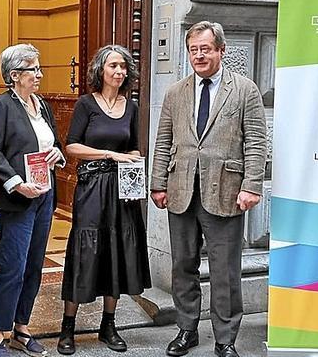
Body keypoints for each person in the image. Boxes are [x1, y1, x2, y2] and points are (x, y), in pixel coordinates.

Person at [150, 21, 267, 357]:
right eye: (193, 50)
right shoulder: (176, 92)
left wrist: (252, 186)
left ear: (221, 50)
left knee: (225, 270)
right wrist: (158, 184)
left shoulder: (245, 90)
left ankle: (225, 338)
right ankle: (186, 330)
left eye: (206, 49)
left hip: (227, 192)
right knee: (183, 265)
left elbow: (257, 143)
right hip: (181, 192)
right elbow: (164, 142)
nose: (199, 55)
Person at [57, 45, 152, 355]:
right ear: (101, 70)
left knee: (118, 252)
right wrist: (110, 154)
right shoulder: (87, 104)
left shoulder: (132, 107)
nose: (119, 71)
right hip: (92, 187)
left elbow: (136, 148)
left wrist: (132, 161)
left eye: (124, 67)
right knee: (85, 251)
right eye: (114, 66)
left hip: (123, 190)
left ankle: (108, 325)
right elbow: (72, 146)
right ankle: (67, 327)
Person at [0, 43, 64, 357]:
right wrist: (17, 184)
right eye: (34, 69)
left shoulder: (41, 103)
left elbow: (53, 141)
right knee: (12, 267)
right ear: (15, 75)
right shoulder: (1, 106)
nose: (40, 75)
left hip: (45, 195)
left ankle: (21, 327)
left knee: (34, 266)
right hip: (18, 198)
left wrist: (56, 152)